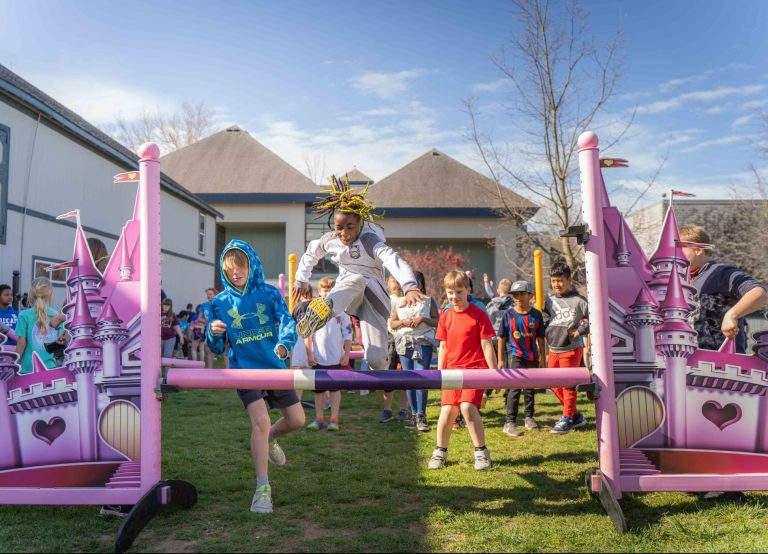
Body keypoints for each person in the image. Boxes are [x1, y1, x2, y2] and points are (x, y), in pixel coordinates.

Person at [207, 239, 304, 514]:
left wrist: (284, 345)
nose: (235, 273)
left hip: (273, 367)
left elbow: (287, 322)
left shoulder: (270, 294)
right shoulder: (219, 303)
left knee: (297, 420)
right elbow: (216, 348)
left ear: (251, 265)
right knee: (260, 421)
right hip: (245, 371)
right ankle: (262, 488)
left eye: (240, 267)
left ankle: (271, 437)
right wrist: (213, 333)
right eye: (229, 269)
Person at [292, 175, 423, 372]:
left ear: (360, 223)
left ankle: (382, 358)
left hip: (374, 300)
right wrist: (301, 279)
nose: (344, 233)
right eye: (339, 228)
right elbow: (312, 252)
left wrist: (409, 285)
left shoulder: (369, 240)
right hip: (348, 294)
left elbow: (390, 258)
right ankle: (320, 312)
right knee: (356, 279)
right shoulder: (331, 239)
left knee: (376, 361)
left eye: (349, 227)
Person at [428, 271, 496, 471]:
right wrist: (440, 375)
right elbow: (443, 347)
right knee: (447, 411)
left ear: (468, 290)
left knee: (467, 407)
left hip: (475, 370)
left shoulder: (479, 314)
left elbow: (487, 345)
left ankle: (481, 453)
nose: (454, 296)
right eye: (450, 292)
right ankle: (440, 452)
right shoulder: (446, 316)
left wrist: (494, 374)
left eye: (459, 291)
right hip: (451, 371)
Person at [680, 224, 768, 353]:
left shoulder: (720, 273)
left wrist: (732, 315)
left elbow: (758, 293)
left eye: (679, 249)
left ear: (697, 250)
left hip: (723, 364)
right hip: (689, 361)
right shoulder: (681, 282)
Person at [390, 270, 438, 432]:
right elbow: (393, 323)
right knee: (408, 379)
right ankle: (413, 414)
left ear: (421, 284)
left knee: (422, 377)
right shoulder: (400, 302)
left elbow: (438, 321)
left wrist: (422, 319)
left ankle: (421, 415)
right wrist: (404, 321)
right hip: (404, 343)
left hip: (423, 342)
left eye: (415, 282)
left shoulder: (428, 301)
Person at [543, 261, 589, 435]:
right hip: (553, 348)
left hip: (571, 349)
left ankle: (567, 419)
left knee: (568, 385)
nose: (556, 284)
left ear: (569, 280)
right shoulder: (549, 300)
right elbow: (545, 317)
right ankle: (575, 414)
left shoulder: (579, 301)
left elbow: (592, 317)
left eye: (560, 280)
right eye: (553, 281)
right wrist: (546, 328)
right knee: (552, 383)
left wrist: (581, 330)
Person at [497, 280, 545, 437]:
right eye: (515, 294)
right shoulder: (508, 314)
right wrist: (500, 359)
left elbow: (541, 338)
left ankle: (529, 417)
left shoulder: (536, 315)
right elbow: (501, 337)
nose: (518, 297)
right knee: (514, 388)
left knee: (530, 387)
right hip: (515, 355)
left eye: (522, 294)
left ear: (530, 295)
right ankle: (509, 422)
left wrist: (543, 358)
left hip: (532, 356)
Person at [305, 277, 352, 432]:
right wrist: (310, 353)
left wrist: (346, 354)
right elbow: (308, 335)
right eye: (325, 291)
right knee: (318, 390)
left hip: (336, 357)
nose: (328, 293)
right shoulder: (313, 310)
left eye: (331, 291)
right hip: (318, 358)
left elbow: (347, 334)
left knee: (334, 390)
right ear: (320, 291)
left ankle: (334, 419)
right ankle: (319, 418)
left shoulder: (342, 311)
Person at [14, 277, 64, 374]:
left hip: (27, 369)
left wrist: (14, 365)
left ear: (31, 293)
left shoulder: (24, 315)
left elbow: (21, 344)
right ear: (50, 294)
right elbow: (60, 343)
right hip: (50, 367)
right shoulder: (56, 315)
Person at [381, 276, 410, 423]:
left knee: (406, 375)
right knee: (389, 375)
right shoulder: (388, 299)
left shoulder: (407, 299)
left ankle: (403, 409)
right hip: (391, 338)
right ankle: (388, 409)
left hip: (404, 338)